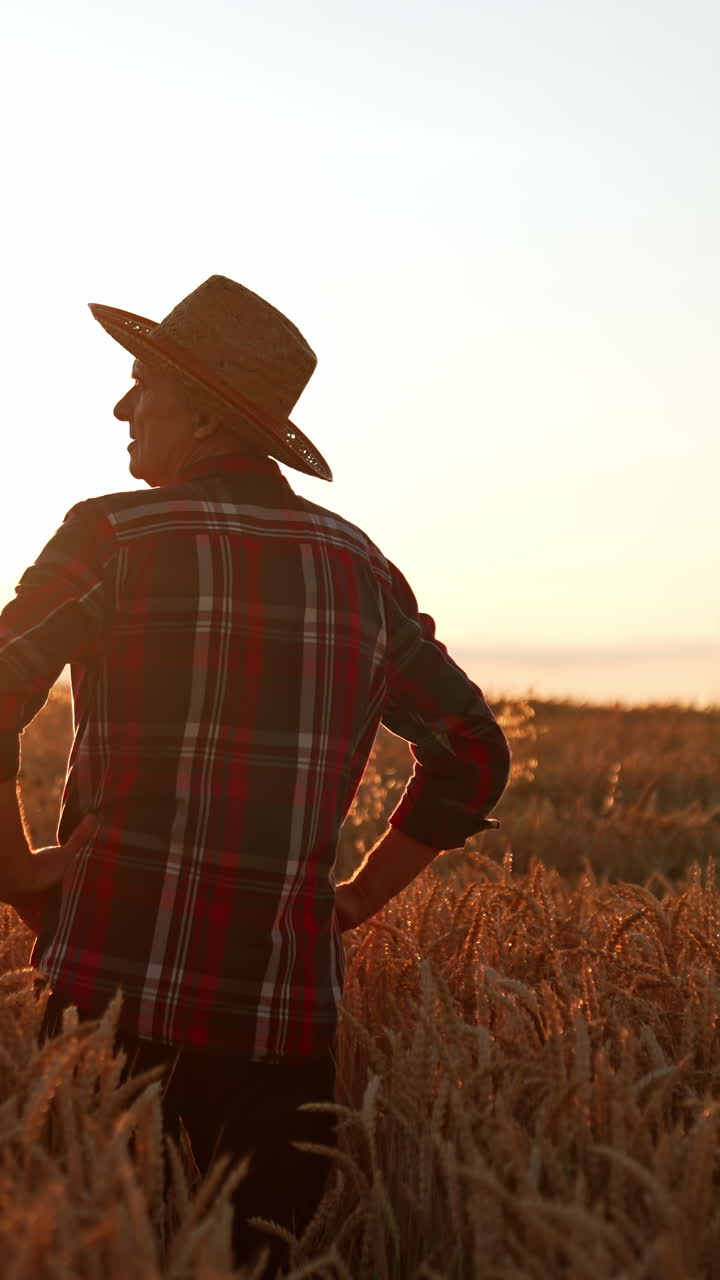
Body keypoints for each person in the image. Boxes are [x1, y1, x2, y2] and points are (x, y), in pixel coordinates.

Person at [0, 275, 510, 1270]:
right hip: (287, 1040)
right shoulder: (359, 564)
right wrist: (355, 899)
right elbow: (475, 751)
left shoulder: (111, 536)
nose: (121, 406)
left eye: (140, 383)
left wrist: (14, 869)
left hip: (110, 1016)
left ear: (198, 411)